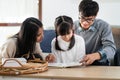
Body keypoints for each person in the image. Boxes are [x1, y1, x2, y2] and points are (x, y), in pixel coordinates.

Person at [74, 0, 116, 65]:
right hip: (78, 63)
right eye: (82, 18)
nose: (85, 23)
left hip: (98, 63)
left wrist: (96, 55)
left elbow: (111, 48)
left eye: (89, 19)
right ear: (79, 13)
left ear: (96, 15)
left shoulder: (104, 26)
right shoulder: (72, 26)